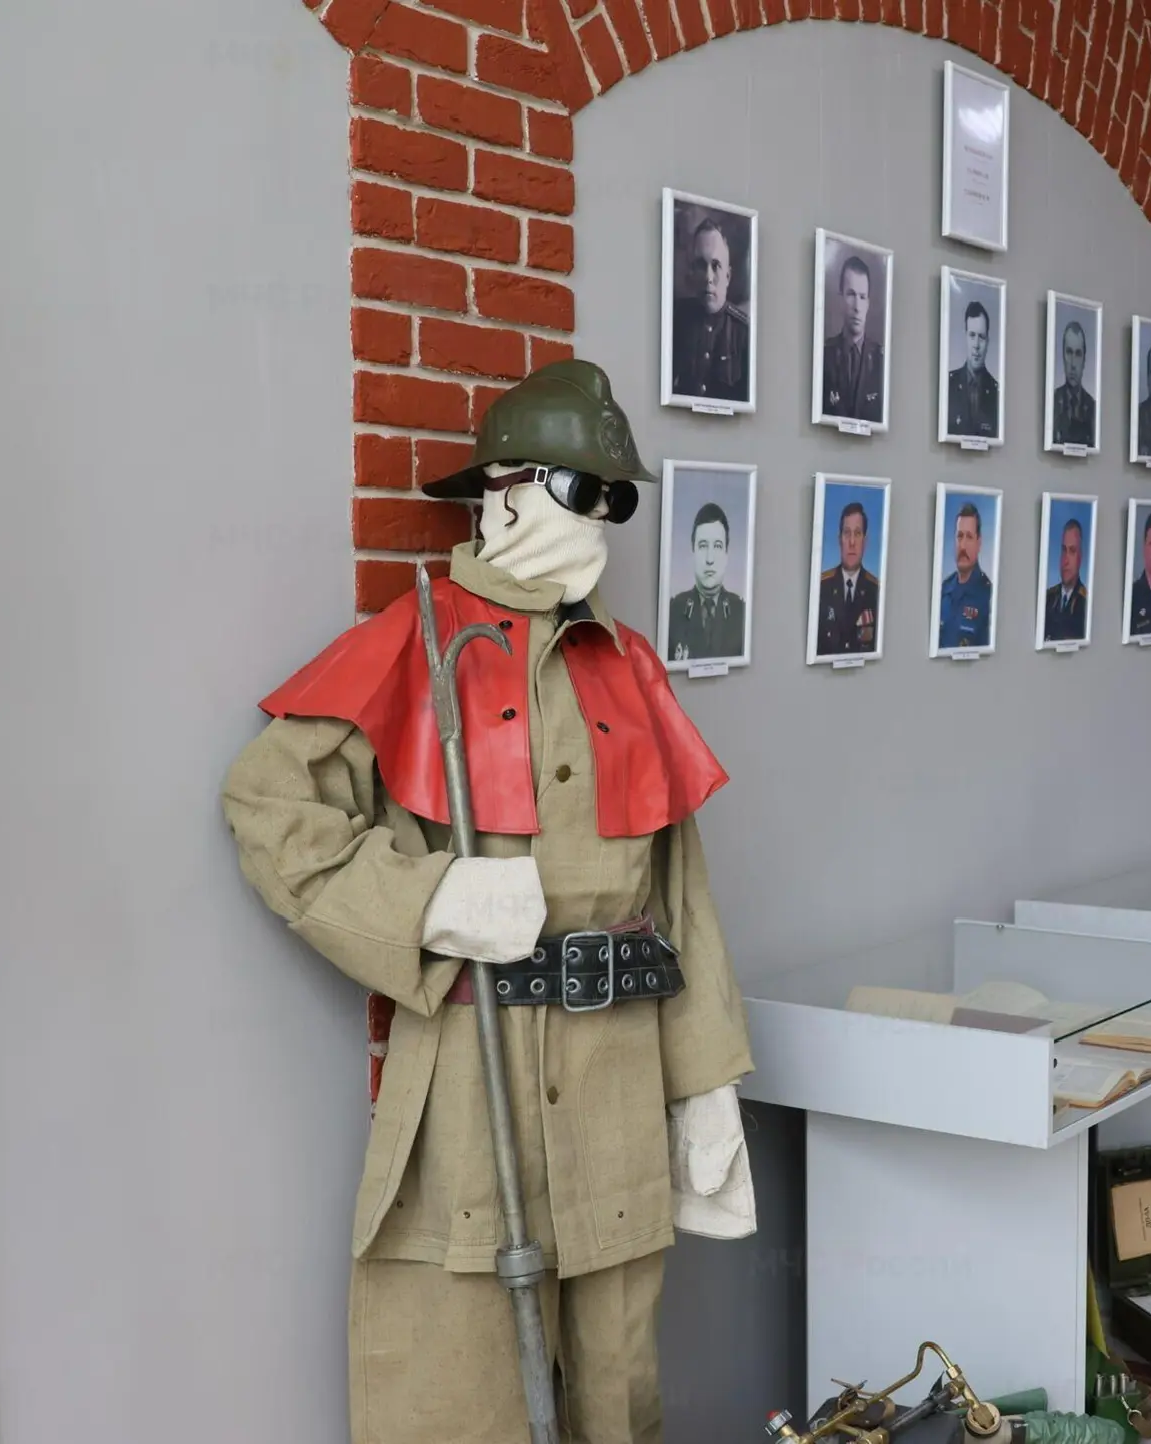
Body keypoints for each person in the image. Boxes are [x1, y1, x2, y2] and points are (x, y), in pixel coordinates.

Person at [221, 359, 755, 1444]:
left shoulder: (627, 666)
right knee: (461, 1400)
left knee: (618, 1402)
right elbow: (269, 805)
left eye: (615, 499)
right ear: (502, 493)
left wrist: (706, 1085)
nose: (599, 519)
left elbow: (681, 893)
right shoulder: (417, 639)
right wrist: (433, 898)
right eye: (581, 490)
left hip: (619, 1078)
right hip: (475, 1083)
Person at [671, 216, 750, 403]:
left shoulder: (744, 333)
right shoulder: (675, 319)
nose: (708, 277)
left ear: (728, 276)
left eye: (716, 266)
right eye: (701, 265)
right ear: (692, 272)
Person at [665, 501, 747, 662]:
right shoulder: (673, 612)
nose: (710, 559)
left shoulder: (741, 613)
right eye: (703, 546)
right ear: (693, 552)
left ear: (726, 554)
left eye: (717, 546)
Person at [820, 254, 884, 423]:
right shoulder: (824, 357)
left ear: (868, 303)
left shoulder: (881, 362)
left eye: (862, 297)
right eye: (851, 295)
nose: (857, 307)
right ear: (840, 298)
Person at [816, 498, 881, 655]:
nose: (852, 542)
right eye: (847, 533)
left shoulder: (876, 591)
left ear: (865, 541)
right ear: (840, 540)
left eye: (857, 534)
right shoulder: (821, 587)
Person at [938, 502, 993, 650]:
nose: (962, 546)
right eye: (959, 536)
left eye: (969, 537)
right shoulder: (943, 589)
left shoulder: (988, 596)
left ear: (979, 543)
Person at [945, 299, 999, 439]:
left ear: (988, 342)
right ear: (965, 337)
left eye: (981, 337)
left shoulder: (996, 393)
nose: (976, 345)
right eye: (972, 335)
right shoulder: (947, 385)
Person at [1042, 517, 1090, 642]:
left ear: (1080, 557)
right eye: (1064, 550)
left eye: (1072, 551)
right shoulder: (1047, 598)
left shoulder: (1086, 603)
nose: (1066, 560)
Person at [1051, 319, 1095, 447]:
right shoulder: (1053, 401)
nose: (1073, 363)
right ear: (1063, 355)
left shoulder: (1092, 408)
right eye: (1069, 352)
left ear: (1084, 360)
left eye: (1078, 354)